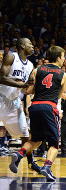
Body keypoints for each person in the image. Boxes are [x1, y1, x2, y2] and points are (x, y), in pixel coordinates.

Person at [9, 46, 66, 181]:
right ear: (58, 58)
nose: (64, 59)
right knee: (54, 144)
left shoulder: (37, 70)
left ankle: (19, 154)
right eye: (63, 56)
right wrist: (55, 94)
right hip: (49, 107)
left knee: (35, 140)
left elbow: (28, 91)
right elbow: (65, 94)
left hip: (35, 107)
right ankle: (47, 168)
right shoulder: (63, 74)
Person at [0, 38, 38, 171]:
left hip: (14, 102)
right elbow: (2, 77)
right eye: (30, 44)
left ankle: (30, 162)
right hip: (1, 97)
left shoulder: (30, 65)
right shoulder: (11, 56)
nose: (33, 47)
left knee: (25, 135)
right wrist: (21, 84)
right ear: (22, 46)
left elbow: (26, 89)